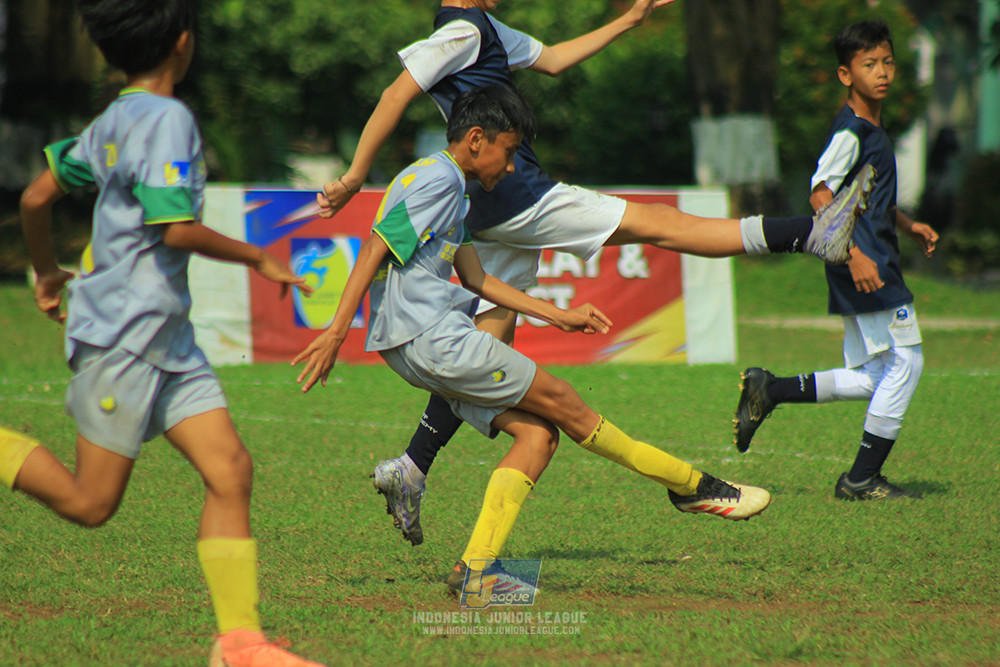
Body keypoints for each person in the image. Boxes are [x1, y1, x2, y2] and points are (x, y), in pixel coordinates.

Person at [314, 0, 875, 545]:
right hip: (519, 198)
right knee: (660, 224)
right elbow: (395, 93)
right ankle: (807, 234)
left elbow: (554, 59)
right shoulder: (462, 34)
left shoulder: (483, 31)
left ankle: (414, 467)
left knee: (494, 338)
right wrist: (355, 174)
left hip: (486, 206)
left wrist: (628, 20)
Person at [294, 84, 772, 594]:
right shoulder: (436, 180)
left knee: (538, 437)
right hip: (435, 339)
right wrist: (336, 332)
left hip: (415, 346)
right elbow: (374, 246)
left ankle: (475, 576)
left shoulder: (449, 187)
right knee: (569, 406)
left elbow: (477, 280)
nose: (513, 165)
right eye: (509, 150)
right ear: (476, 139)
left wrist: (555, 313)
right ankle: (695, 488)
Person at [3, 1, 325, 664]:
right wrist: (259, 255)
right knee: (91, 502)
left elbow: (35, 198)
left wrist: (45, 272)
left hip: (166, 336)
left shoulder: (112, 120)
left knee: (230, 469)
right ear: (182, 44)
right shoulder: (169, 118)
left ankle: (239, 643)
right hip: (124, 335)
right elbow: (172, 226)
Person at [733, 19, 939, 501]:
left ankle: (772, 389)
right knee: (907, 362)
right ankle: (861, 479)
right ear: (847, 75)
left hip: (873, 259)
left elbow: (866, 193)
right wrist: (855, 256)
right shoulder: (851, 131)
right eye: (869, 65)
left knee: (877, 375)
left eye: (887, 62)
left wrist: (907, 224)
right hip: (867, 265)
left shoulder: (871, 127)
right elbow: (821, 193)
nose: (882, 72)